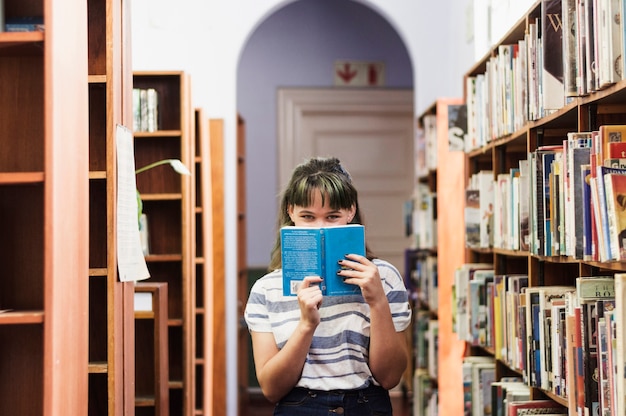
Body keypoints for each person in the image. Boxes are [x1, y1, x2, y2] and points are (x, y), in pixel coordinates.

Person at [244, 156, 412, 415]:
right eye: (308, 216)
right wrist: (306, 325)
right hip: (298, 406)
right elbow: (271, 389)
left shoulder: (384, 277)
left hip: (366, 404)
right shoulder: (266, 290)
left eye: (332, 216)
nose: (320, 228)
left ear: (350, 212)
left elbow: (390, 378)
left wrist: (378, 302)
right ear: (291, 212)